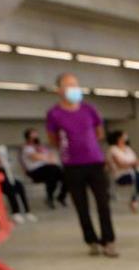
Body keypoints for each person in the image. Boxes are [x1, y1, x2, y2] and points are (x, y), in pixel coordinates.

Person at [46, 72, 117, 257]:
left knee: (103, 203)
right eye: (69, 85)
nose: (74, 88)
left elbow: (99, 132)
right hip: (72, 165)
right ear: (59, 90)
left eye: (75, 84)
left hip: (95, 162)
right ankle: (91, 240)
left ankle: (108, 240)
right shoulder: (54, 114)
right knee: (81, 205)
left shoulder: (89, 109)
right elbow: (53, 139)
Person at [106, 130, 139, 211]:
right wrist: (134, 163)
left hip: (134, 172)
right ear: (119, 138)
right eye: (124, 136)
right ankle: (133, 201)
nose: (126, 137)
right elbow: (120, 165)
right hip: (121, 175)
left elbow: (135, 160)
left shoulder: (128, 148)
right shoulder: (113, 149)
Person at [21, 128, 66, 209]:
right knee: (53, 171)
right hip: (35, 171)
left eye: (36, 134)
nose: (36, 137)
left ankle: (61, 196)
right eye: (33, 135)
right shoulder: (26, 148)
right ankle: (49, 198)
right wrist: (46, 157)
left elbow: (51, 156)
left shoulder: (40, 147)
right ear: (28, 137)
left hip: (48, 168)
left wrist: (45, 155)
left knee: (65, 175)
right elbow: (35, 157)